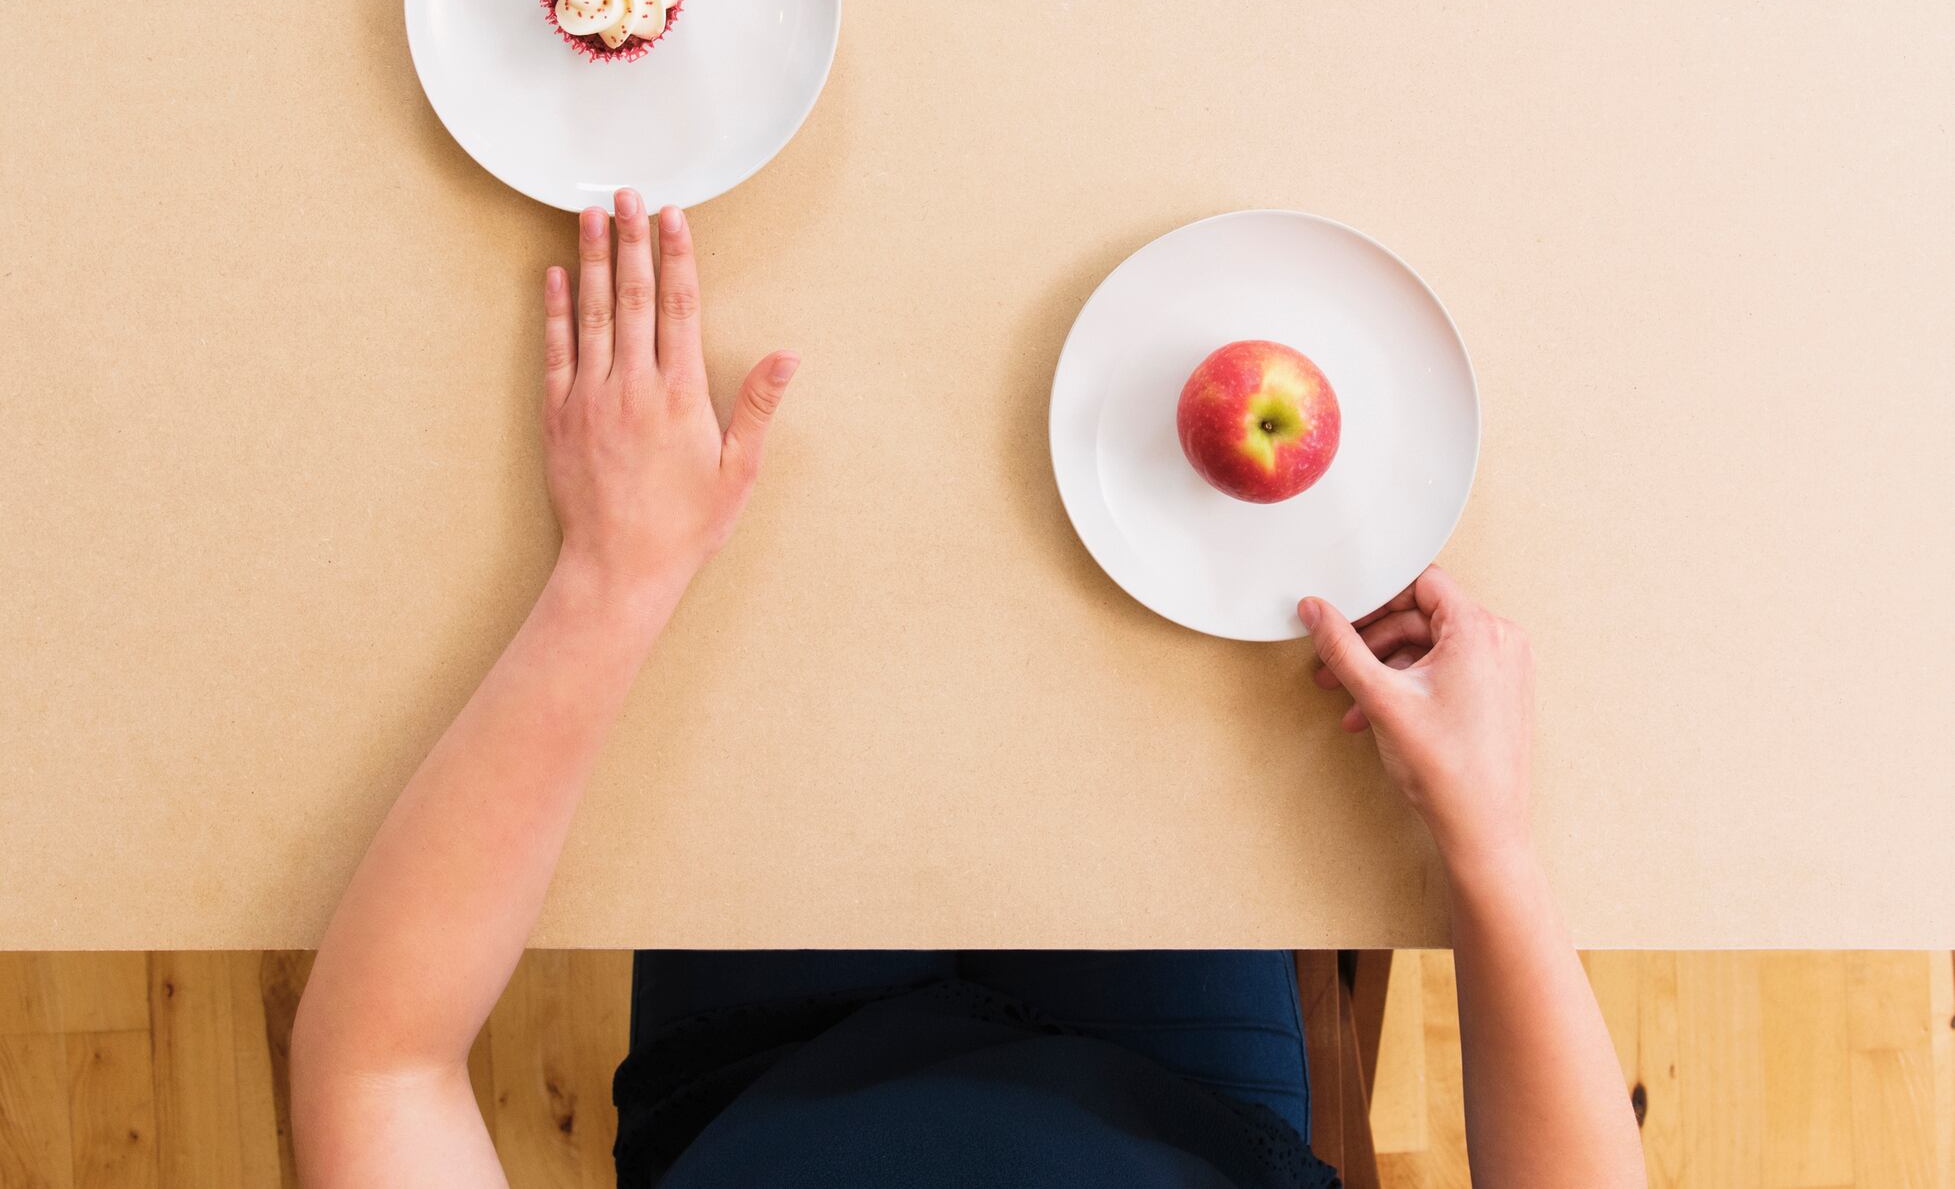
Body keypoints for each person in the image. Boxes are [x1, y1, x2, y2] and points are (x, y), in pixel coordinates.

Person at [289, 192, 1646, 1188]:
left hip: (765, 1053)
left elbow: (376, 1068)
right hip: (1170, 1081)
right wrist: (1492, 844)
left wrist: (613, 575)